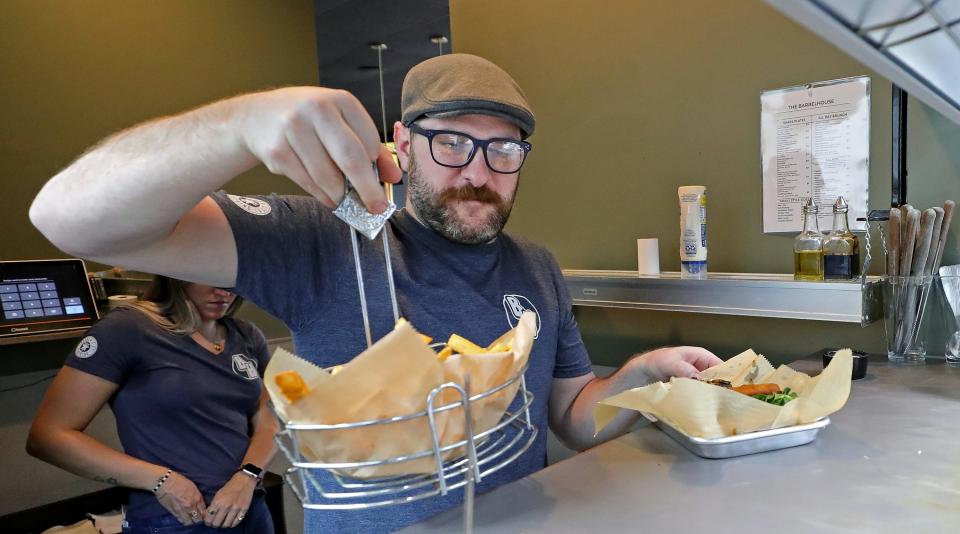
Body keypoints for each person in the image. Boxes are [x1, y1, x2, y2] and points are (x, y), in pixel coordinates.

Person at [30, 53, 721, 532]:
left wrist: (641, 376)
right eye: (451, 142)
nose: (478, 172)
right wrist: (239, 125)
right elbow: (69, 219)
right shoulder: (323, 241)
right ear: (403, 143)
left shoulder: (536, 267)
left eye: (504, 150)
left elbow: (572, 417)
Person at [26, 277, 278, 533]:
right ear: (175, 274)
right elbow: (47, 437)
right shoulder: (127, 328)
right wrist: (162, 481)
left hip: (248, 508)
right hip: (176, 519)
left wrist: (247, 477)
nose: (224, 292)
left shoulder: (246, 335)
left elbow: (267, 421)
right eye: (209, 278)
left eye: (232, 282)